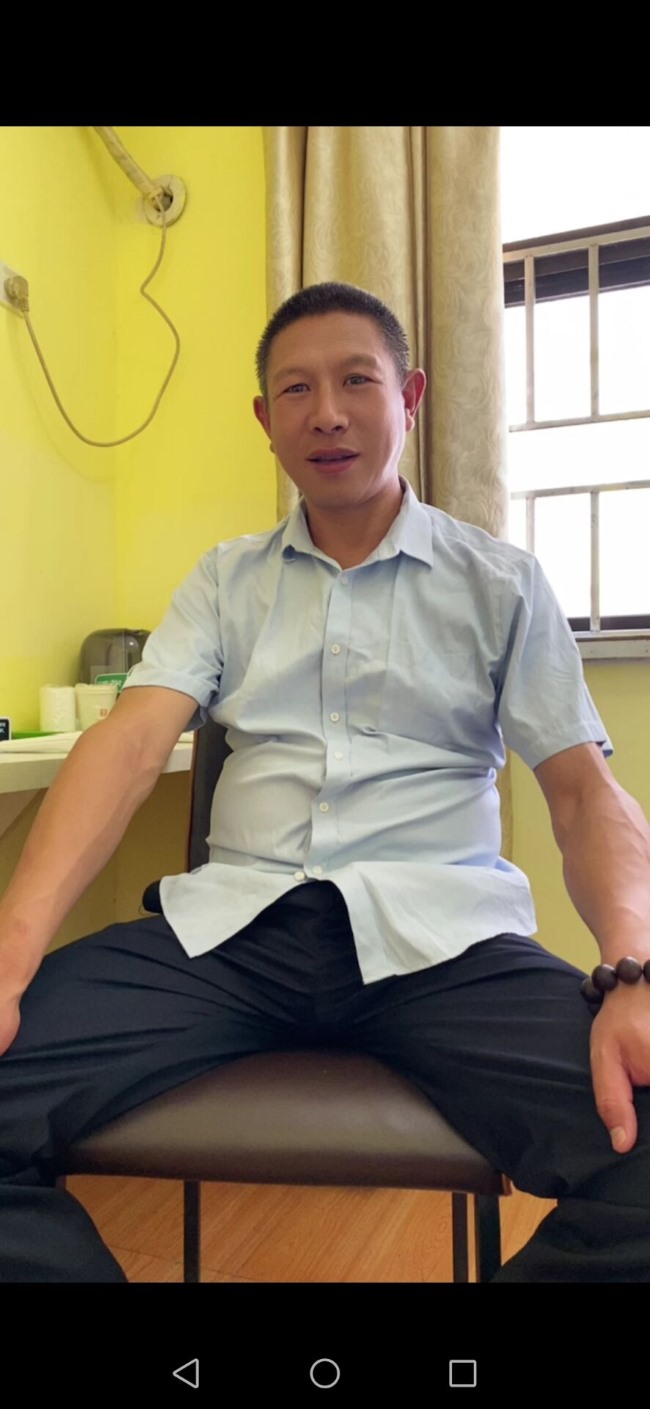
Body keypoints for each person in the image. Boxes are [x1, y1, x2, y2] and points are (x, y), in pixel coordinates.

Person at [1, 281, 649, 1283]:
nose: (328, 413)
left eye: (357, 381)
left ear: (410, 397)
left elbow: (583, 793)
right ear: (266, 420)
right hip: (230, 935)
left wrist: (632, 967)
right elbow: (128, 744)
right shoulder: (224, 580)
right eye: (296, 390)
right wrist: (11, 951)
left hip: (443, 942)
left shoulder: (500, 582)